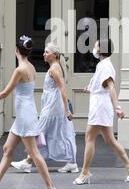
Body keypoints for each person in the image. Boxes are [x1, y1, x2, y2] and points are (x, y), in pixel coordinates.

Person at [0, 36, 55, 189]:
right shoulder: (30, 67)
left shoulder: (20, 70)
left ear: (16, 51)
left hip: (25, 116)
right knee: (7, 149)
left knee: (34, 153)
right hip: (25, 114)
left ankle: (51, 187)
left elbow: (5, 93)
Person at [73, 39, 129, 185]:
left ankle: (85, 172)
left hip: (100, 107)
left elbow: (111, 87)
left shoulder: (105, 66)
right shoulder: (103, 65)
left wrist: (118, 108)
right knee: (110, 140)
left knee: (89, 137)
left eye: (96, 45)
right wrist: (90, 88)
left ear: (101, 50)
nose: (93, 47)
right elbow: (103, 86)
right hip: (100, 105)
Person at [10, 43, 78, 173]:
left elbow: (62, 88)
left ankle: (28, 161)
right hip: (54, 105)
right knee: (62, 132)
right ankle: (72, 162)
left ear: (54, 54)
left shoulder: (54, 69)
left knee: (40, 131)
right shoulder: (56, 67)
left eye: (46, 52)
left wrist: (67, 109)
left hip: (53, 106)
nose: (44, 54)